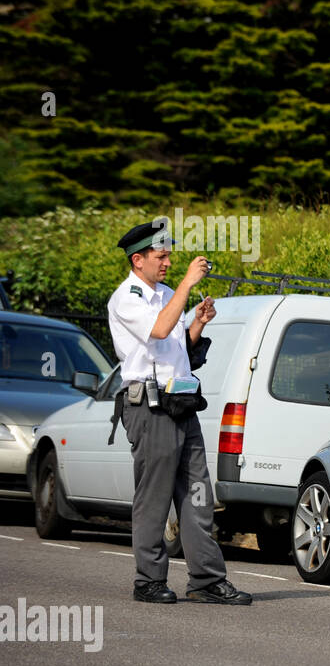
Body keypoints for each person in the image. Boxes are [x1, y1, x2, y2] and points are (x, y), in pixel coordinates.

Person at [107, 221, 252, 605]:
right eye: (161, 256)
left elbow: (176, 352)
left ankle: (206, 580)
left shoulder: (168, 294)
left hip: (181, 403)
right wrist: (188, 286)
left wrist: (199, 323)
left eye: (170, 255)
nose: (168, 261)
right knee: (153, 499)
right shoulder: (127, 298)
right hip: (149, 408)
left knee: (198, 496)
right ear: (138, 260)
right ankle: (148, 580)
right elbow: (157, 331)